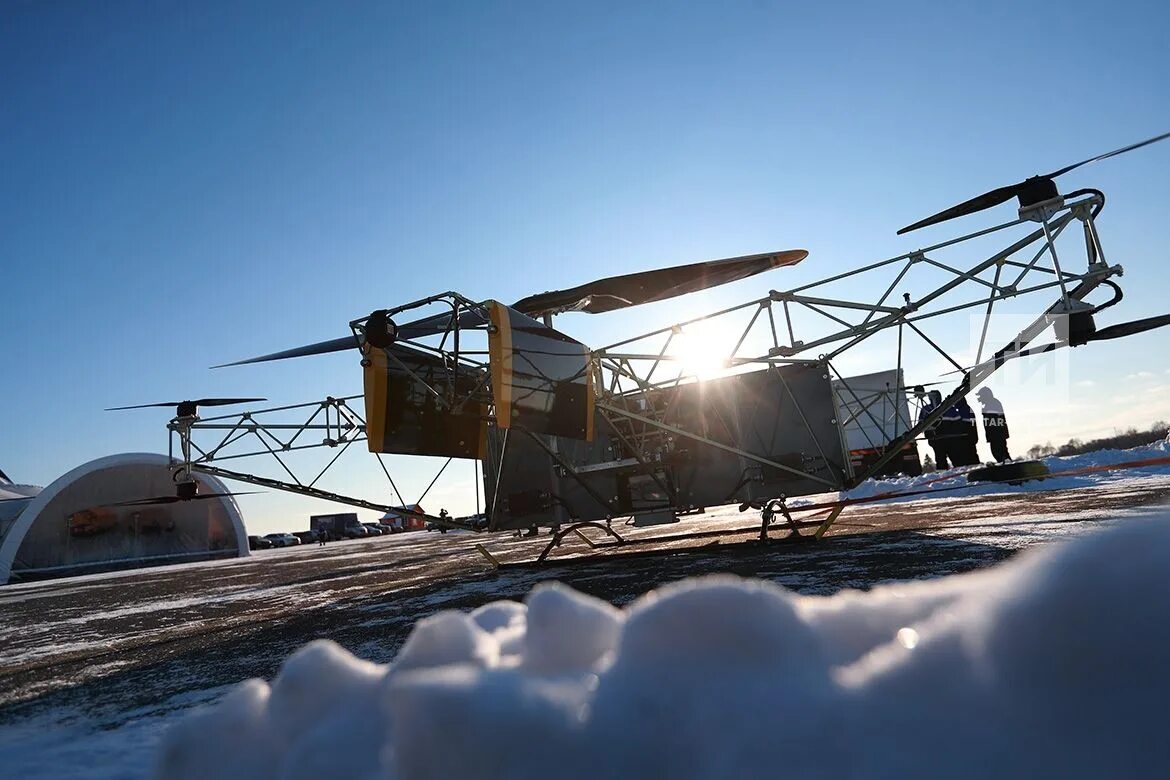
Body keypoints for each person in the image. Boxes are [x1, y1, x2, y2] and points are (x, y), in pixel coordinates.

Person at [938, 393, 981, 467]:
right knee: (972, 456)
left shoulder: (963, 410)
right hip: (970, 438)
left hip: (966, 439)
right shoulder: (967, 409)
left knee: (968, 458)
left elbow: (961, 425)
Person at [915, 387, 949, 470]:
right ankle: (943, 470)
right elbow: (920, 423)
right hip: (934, 436)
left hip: (944, 435)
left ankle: (947, 470)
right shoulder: (926, 409)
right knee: (940, 455)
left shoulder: (946, 406)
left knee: (943, 454)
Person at [976, 387, 1011, 462]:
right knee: (1000, 452)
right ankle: (1007, 464)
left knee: (999, 453)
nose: (980, 398)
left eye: (981, 396)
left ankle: (1007, 466)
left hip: (997, 435)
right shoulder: (992, 403)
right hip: (996, 435)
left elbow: (992, 422)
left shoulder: (992, 404)